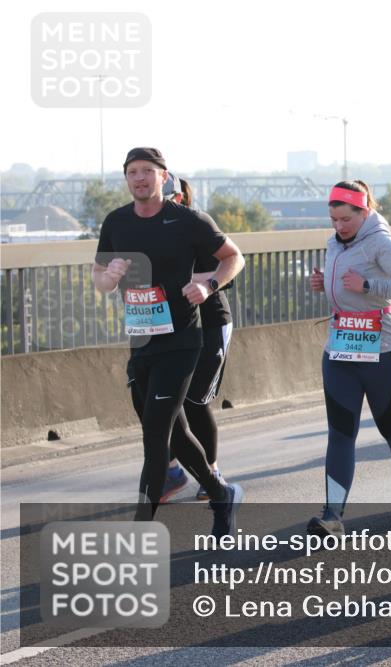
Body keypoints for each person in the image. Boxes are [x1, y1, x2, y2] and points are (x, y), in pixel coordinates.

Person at [92, 147, 247, 536]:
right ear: (126, 179)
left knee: (155, 435)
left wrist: (208, 285)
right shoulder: (116, 221)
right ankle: (221, 493)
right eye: (132, 172)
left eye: (147, 171)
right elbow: (99, 277)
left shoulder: (188, 220)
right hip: (142, 342)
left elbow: (234, 257)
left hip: (181, 342)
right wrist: (109, 276)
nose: (140, 178)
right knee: (174, 432)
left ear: (163, 176)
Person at [307, 180, 391, 535]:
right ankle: (332, 515)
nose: (339, 226)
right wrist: (325, 284)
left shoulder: (381, 242)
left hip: (382, 351)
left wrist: (368, 286)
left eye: (346, 219)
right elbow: (344, 285)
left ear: (364, 212)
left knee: (390, 427)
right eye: (334, 219)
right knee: (340, 433)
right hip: (340, 349)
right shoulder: (333, 242)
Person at [156, 172, 234, 503]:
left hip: (210, 323)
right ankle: (172, 470)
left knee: (193, 401)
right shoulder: (146, 230)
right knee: (162, 401)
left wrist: (200, 282)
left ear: (178, 198)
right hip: (170, 327)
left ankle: (211, 473)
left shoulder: (197, 225)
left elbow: (230, 266)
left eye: (164, 199)